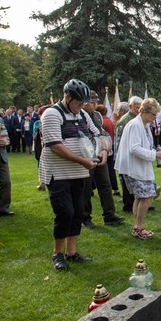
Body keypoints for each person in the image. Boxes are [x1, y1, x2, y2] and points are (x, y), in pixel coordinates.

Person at [38, 79, 102, 271]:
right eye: (78, 102)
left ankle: (71, 252)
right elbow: (56, 147)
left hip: (79, 173)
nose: (81, 106)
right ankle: (57, 252)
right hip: (58, 174)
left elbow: (97, 134)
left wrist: (102, 153)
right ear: (67, 97)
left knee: (78, 212)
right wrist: (83, 161)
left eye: (84, 103)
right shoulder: (52, 114)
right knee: (64, 212)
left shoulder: (82, 114)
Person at [115, 98, 161, 240]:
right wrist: (153, 154)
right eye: (154, 114)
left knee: (141, 197)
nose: (155, 118)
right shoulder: (135, 125)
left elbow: (145, 144)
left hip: (138, 167)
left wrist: (152, 151)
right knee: (147, 197)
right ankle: (139, 227)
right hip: (134, 167)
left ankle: (137, 227)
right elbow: (134, 148)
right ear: (145, 112)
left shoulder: (144, 124)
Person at [81, 91, 123, 228]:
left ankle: (109, 215)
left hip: (99, 153)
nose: (94, 104)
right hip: (86, 154)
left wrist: (105, 148)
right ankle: (85, 218)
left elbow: (101, 132)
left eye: (96, 101)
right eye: (91, 101)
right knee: (86, 188)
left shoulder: (98, 115)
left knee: (105, 185)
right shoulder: (80, 115)